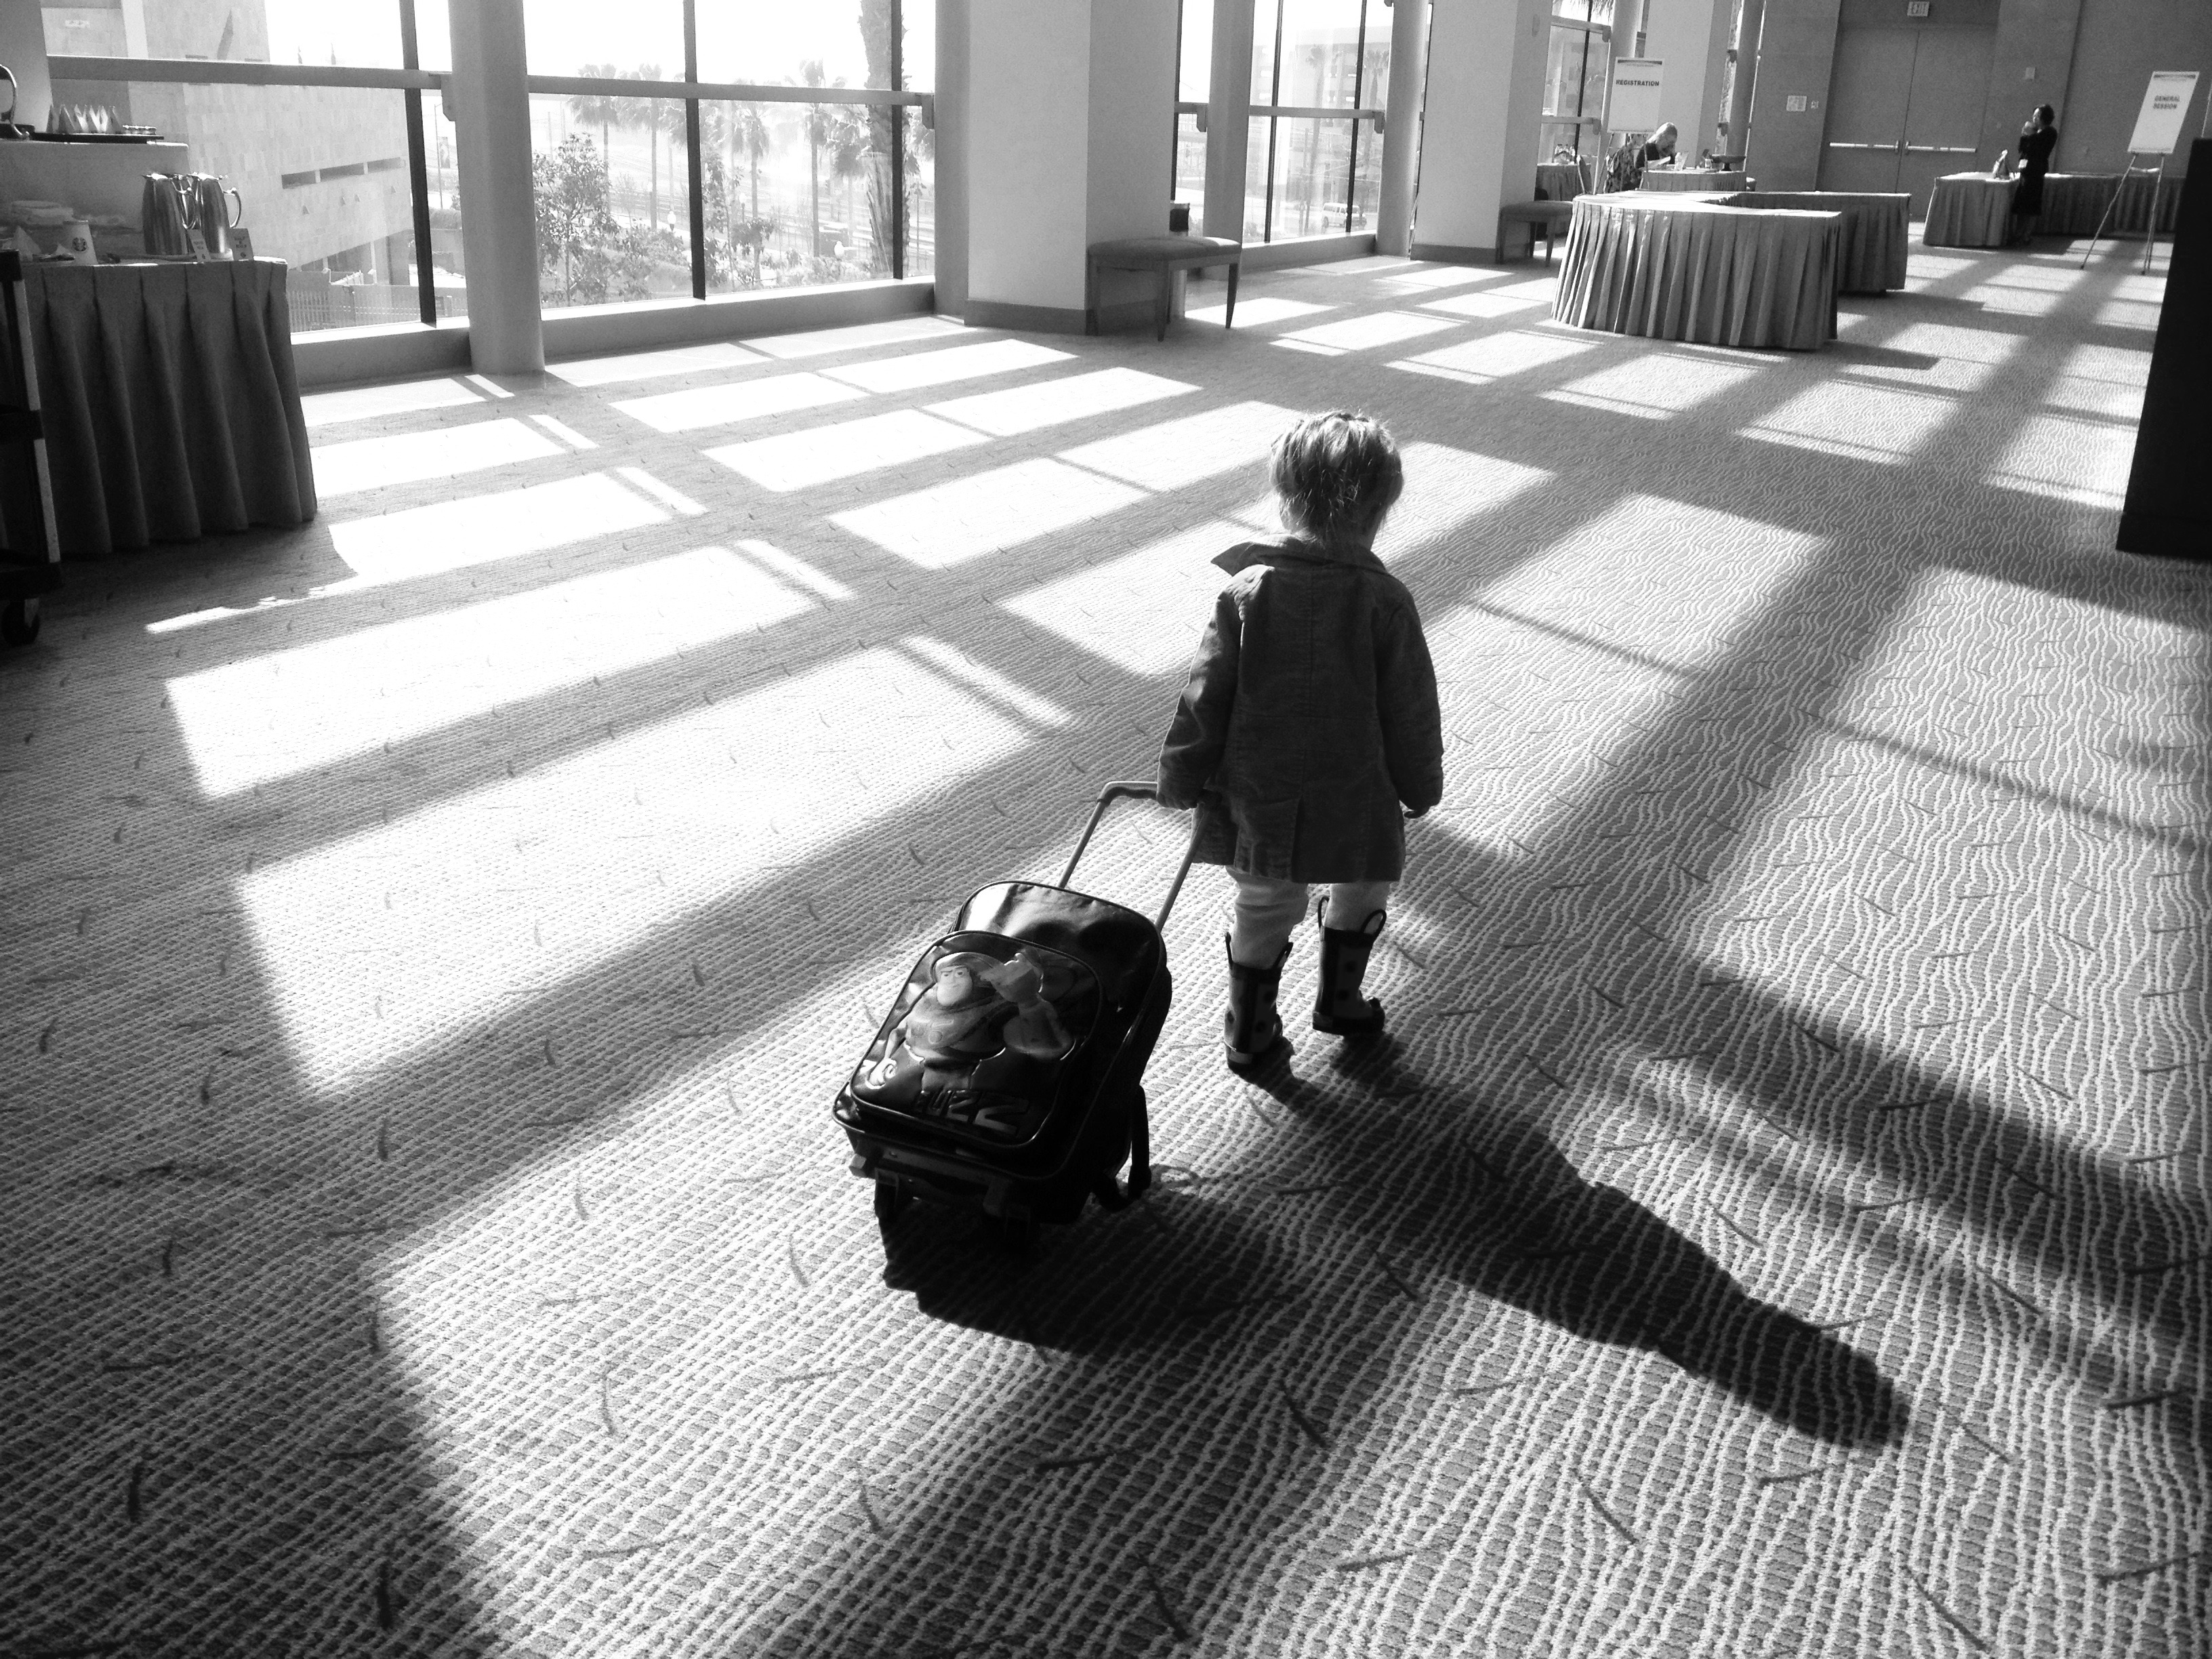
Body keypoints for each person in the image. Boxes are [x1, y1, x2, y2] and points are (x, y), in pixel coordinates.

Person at [1155, 411, 1444, 1072]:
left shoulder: (1247, 591)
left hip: (1266, 795)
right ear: (1379, 511)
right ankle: (1341, 1001)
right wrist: (1420, 782)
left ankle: (1249, 1027)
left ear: (1285, 500)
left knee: (1263, 901)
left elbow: (1205, 697)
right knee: (1365, 884)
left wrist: (1179, 777)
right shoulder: (1386, 600)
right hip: (1358, 794)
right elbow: (1411, 709)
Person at [2012, 104, 2058, 240]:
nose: (2034, 118)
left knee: (2032, 206)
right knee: (2020, 205)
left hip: (2036, 172)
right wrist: (2024, 135)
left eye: (2038, 116)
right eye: (2034, 116)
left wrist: (2030, 135)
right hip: (2025, 171)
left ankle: (2026, 235)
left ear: (2045, 118)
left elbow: (2037, 148)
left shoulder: (2050, 132)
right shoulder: (2033, 132)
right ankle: (2018, 233)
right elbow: (2022, 149)